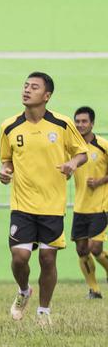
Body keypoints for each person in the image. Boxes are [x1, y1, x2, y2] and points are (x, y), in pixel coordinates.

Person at [0, 71, 88, 326]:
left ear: (46, 96)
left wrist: (72, 162)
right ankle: (24, 290)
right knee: (19, 257)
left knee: (47, 259)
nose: (27, 90)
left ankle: (43, 312)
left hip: (52, 205)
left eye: (34, 87)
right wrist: (5, 172)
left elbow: (81, 153)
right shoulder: (9, 126)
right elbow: (7, 161)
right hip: (22, 204)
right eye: (25, 85)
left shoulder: (62, 124)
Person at [72, 106, 108, 298]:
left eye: (84, 121)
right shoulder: (72, 148)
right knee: (81, 250)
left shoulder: (103, 145)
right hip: (80, 206)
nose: (80, 125)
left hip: (100, 206)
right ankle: (94, 290)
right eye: (77, 121)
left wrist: (100, 181)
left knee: (95, 248)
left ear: (92, 123)